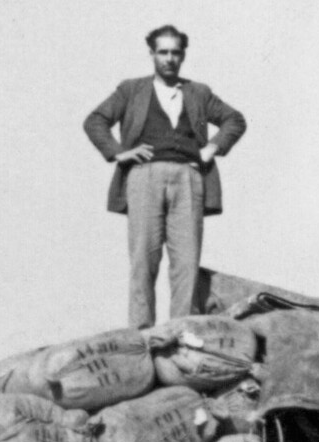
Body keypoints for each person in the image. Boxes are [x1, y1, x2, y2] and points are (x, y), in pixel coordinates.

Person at [84, 25, 247, 329]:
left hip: (189, 178)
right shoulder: (131, 90)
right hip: (144, 178)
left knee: (186, 263)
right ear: (152, 54)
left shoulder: (198, 92)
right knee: (143, 261)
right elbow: (96, 120)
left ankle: (181, 334)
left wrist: (213, 147)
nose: (169, 59)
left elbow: (234, 120)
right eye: (163, 52)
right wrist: (119, 152)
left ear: (183, 55)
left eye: (175, 52)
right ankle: (142, 336)